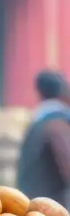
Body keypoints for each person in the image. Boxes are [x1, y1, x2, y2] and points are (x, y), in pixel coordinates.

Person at [16, 70, 70, 207]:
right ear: (63, 94)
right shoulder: (56, 123)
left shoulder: (39, 122)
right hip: (50, 211)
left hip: (32, 206)